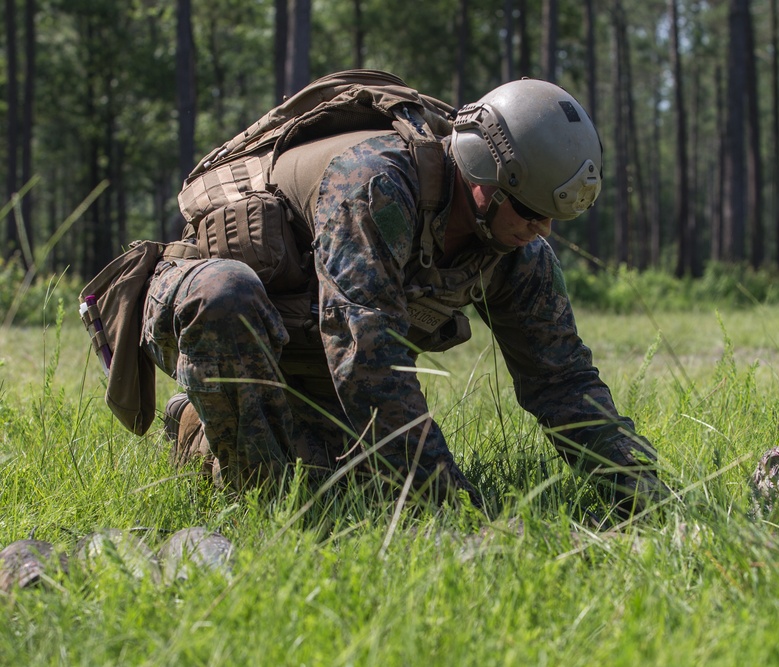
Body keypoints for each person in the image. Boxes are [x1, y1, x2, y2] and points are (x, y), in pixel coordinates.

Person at [148, 77, 667, 516]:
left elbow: (563, 380)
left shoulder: (516, 246)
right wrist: (454, 508)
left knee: (345, 493)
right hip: (204, 312)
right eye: (531, 212)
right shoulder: (374, 185)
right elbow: (366, 359)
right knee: (280, 498)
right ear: (485, 178)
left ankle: (226, 424)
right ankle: (214, 448)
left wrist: (644, 494)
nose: (544, 230)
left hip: (311, 354)